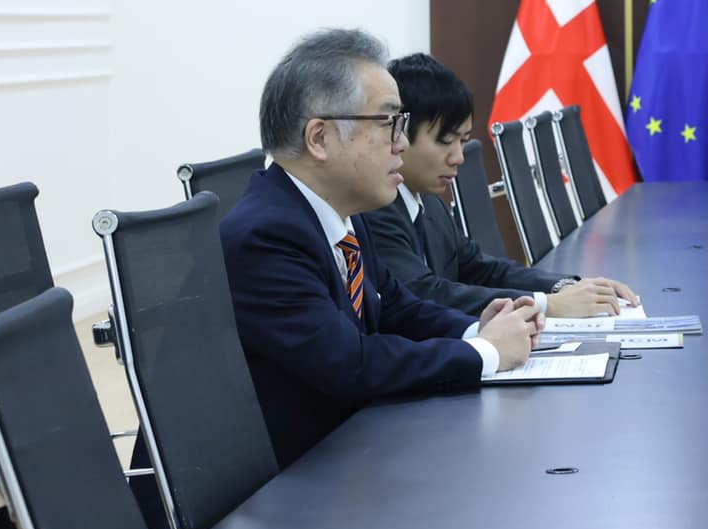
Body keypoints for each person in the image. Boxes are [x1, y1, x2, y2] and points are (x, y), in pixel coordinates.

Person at [221, 28, 542, 465]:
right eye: (390, 123)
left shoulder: (342, 214)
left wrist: (477, 328)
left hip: (351, 451)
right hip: (295, 477)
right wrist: (485, 352)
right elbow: (350, 363)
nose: (402, 143)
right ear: (320, 139)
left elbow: (397, 308)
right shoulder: (267, 236)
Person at [364, 52, 637, 318]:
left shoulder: (428, 200)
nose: (459, 157)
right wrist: (547, 304)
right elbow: (424, 293)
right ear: (399, 134)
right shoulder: (376, 209)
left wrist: (564, 287)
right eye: (446, 141)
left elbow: (479, 268)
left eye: (463, 140)